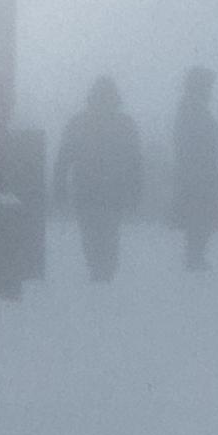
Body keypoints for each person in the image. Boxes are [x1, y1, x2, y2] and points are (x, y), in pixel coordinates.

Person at [51, 77, 145, 284]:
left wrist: (59, 188)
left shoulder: (79, 122)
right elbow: (135, 162)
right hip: (111, 191)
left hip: (87, 190)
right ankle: (104, 273)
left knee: (92, 234)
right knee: (108, 233)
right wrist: (135, 190)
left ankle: (98, 271)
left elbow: (64, 158)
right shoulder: (124, 124)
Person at [171, 67, 218, 272]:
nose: (210, 90)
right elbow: (198, 141)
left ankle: (196, 258)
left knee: (201, 219)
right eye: (208, 85)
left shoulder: (193, 108)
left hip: (199, 175)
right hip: (199, 176)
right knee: (200, 219)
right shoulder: (192, 109)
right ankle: (195, 260)